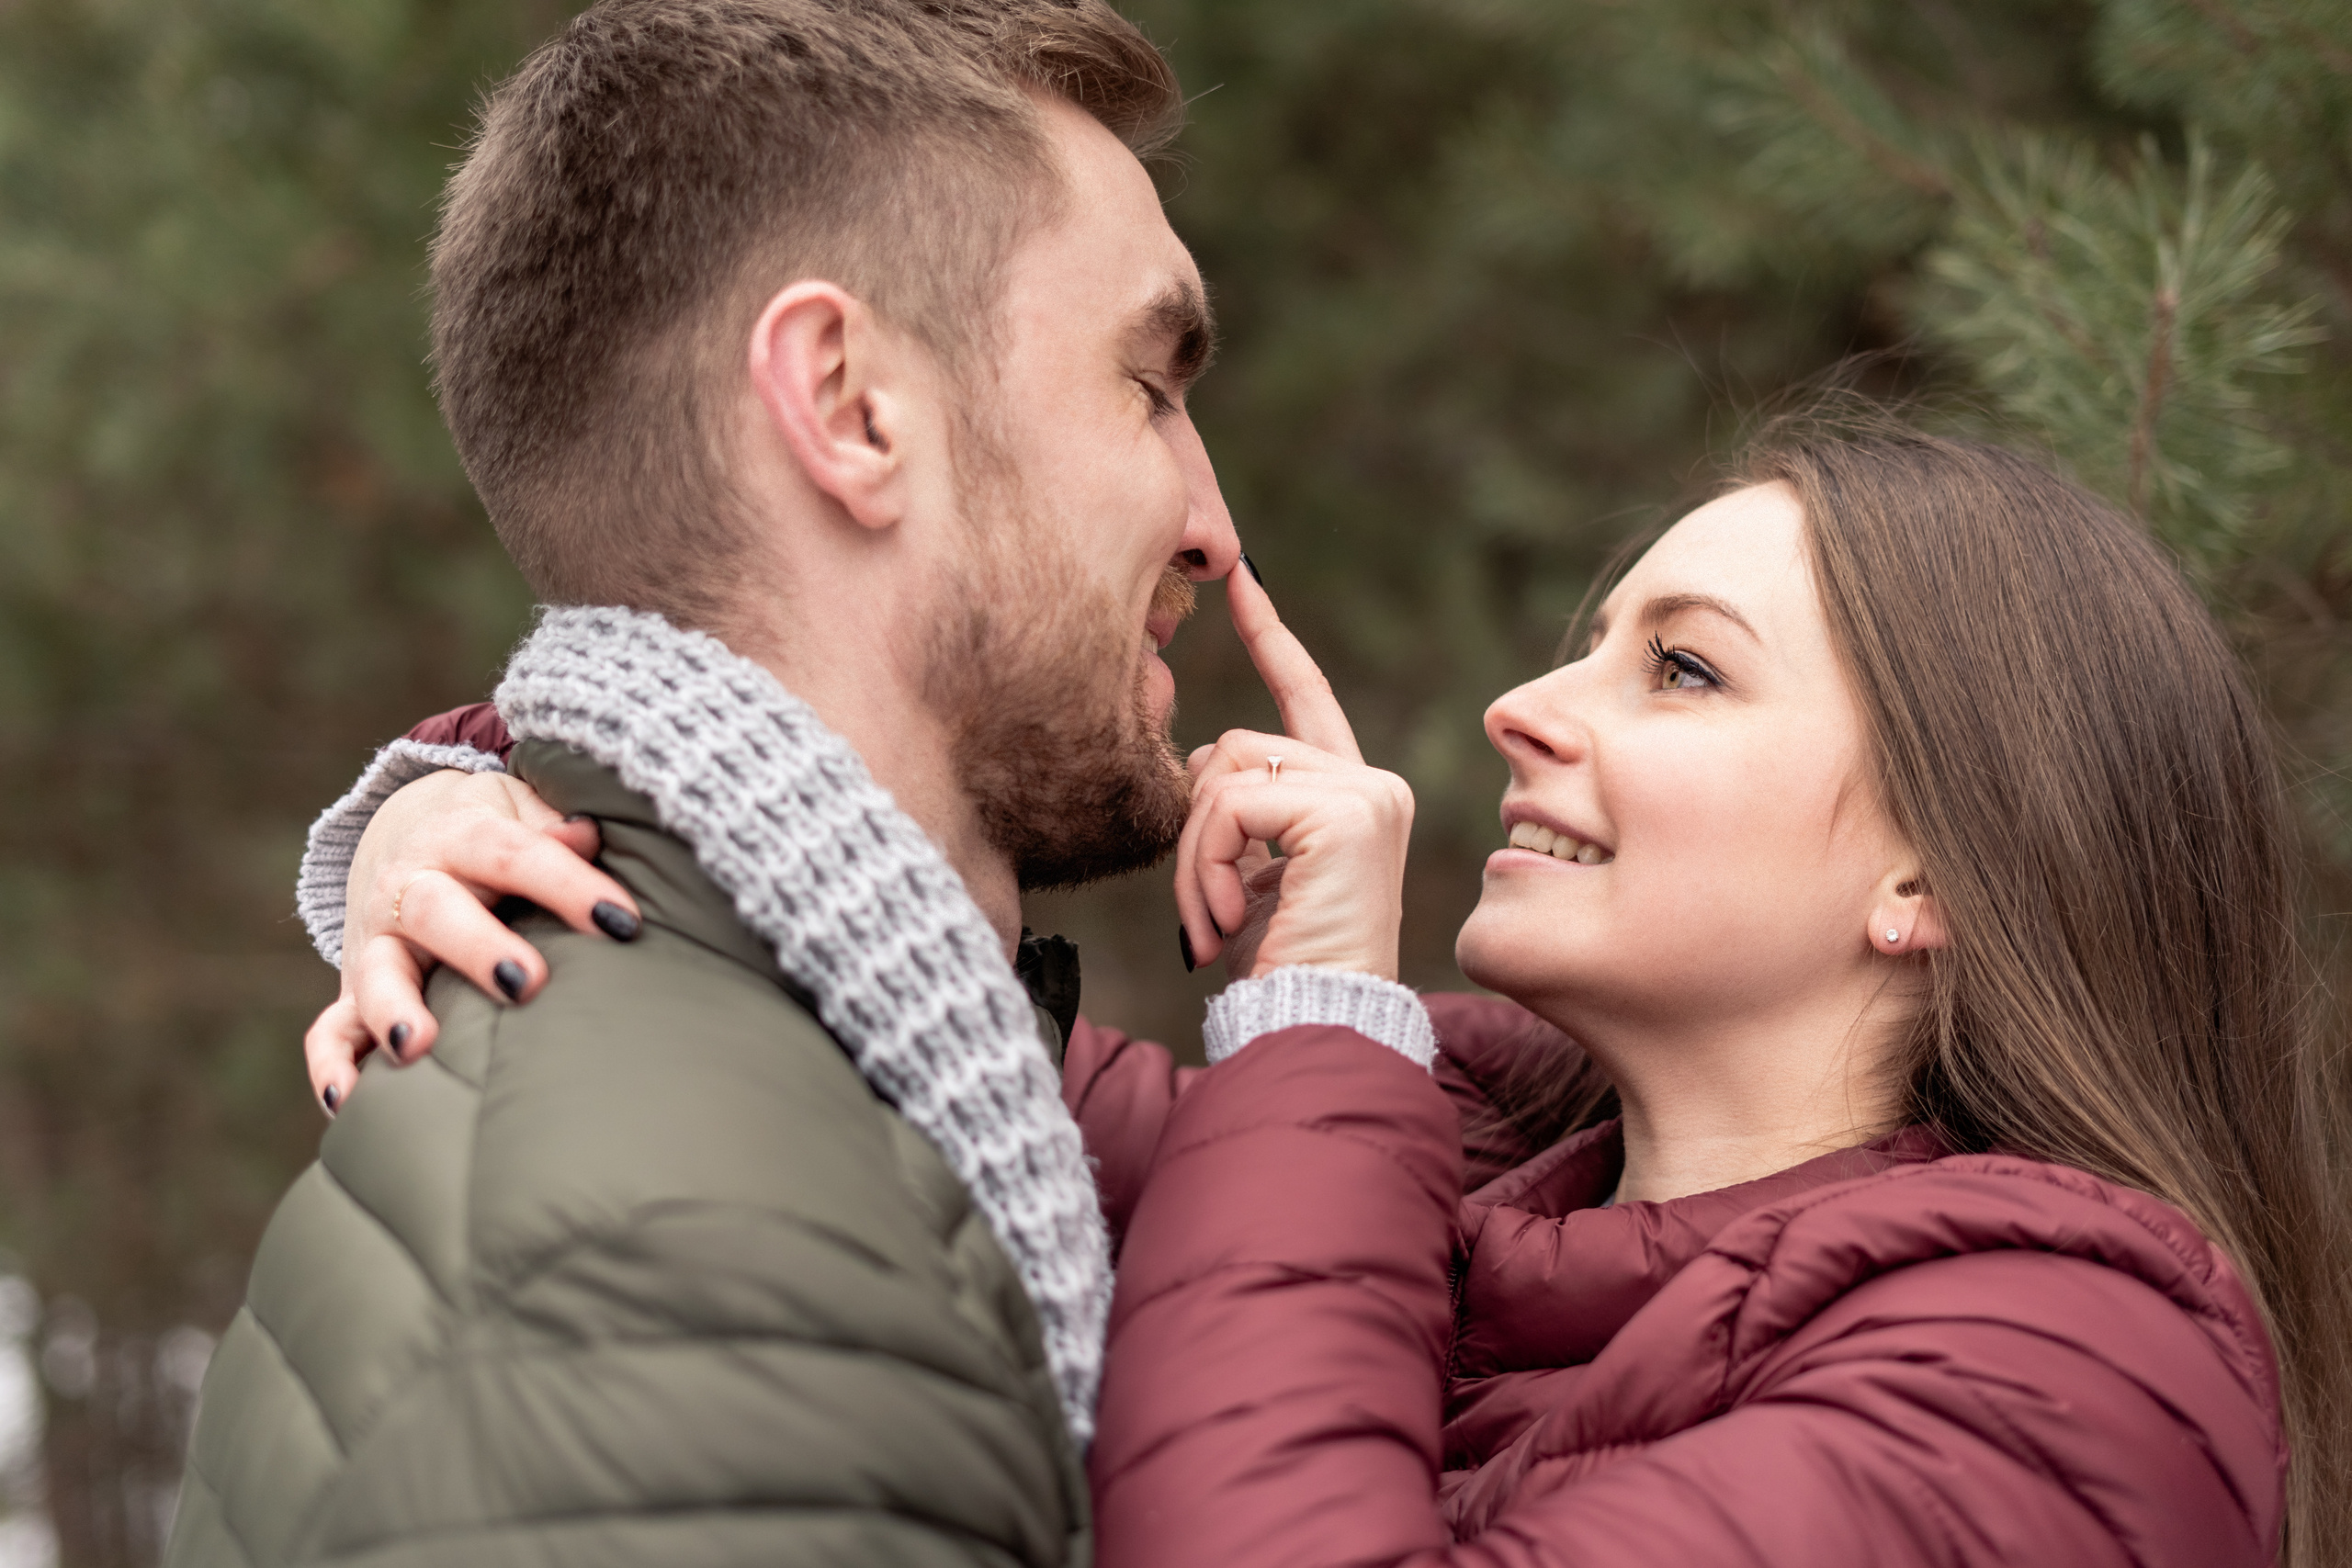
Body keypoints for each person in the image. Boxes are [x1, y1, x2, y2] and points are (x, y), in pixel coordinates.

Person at [322, 418, 2349, 1567]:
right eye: (1590, 638)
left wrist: (1316, 1016)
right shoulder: (1444, 1175)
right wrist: (478, 802)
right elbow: (875, 978)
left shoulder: (2066, 1366)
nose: (1522, 707)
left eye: (1683, 667)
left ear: (1936, 868)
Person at [160, 1, 1351, 1562]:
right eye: (1151, 383)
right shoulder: (681, 1291)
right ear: (851, 407)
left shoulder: (762, 1144)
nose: (1213, 523)